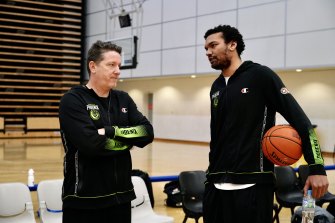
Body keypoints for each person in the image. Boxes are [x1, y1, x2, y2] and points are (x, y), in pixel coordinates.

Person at [203, 24, 329, 223]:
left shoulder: (260, 76)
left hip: (253, 185)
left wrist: (317, 168)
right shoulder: (216, 87)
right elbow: (216, 136)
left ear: (232, 45)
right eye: (206, 49)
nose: (208, 52)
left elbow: (302, 122)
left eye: (213, 45)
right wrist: (210, 177)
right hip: (215, 185)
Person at [59, 40, 154, 223]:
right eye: (111, 65)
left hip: (122, 198)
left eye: (119, 65)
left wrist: (110, 131)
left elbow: (147, 133)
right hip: (84, 200)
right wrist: (128, 143)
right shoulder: (73, 100)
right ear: (93, 66)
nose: (117, 70)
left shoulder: (123, 99)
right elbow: (91, 144)